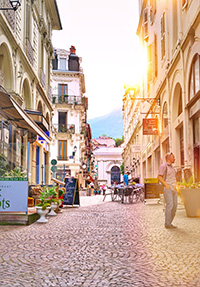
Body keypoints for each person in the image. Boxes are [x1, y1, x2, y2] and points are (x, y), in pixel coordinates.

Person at [158, 152, 177, 229]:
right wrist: (167, 186)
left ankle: (170, 222)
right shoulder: (163, 166)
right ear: (169, 158)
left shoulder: (172, 167)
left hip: (174, 188)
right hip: (168, 188)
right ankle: (167, 223)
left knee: (175, 206)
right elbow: (159, 177)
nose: (174, 159)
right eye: (173, 157)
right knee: (170, 205)